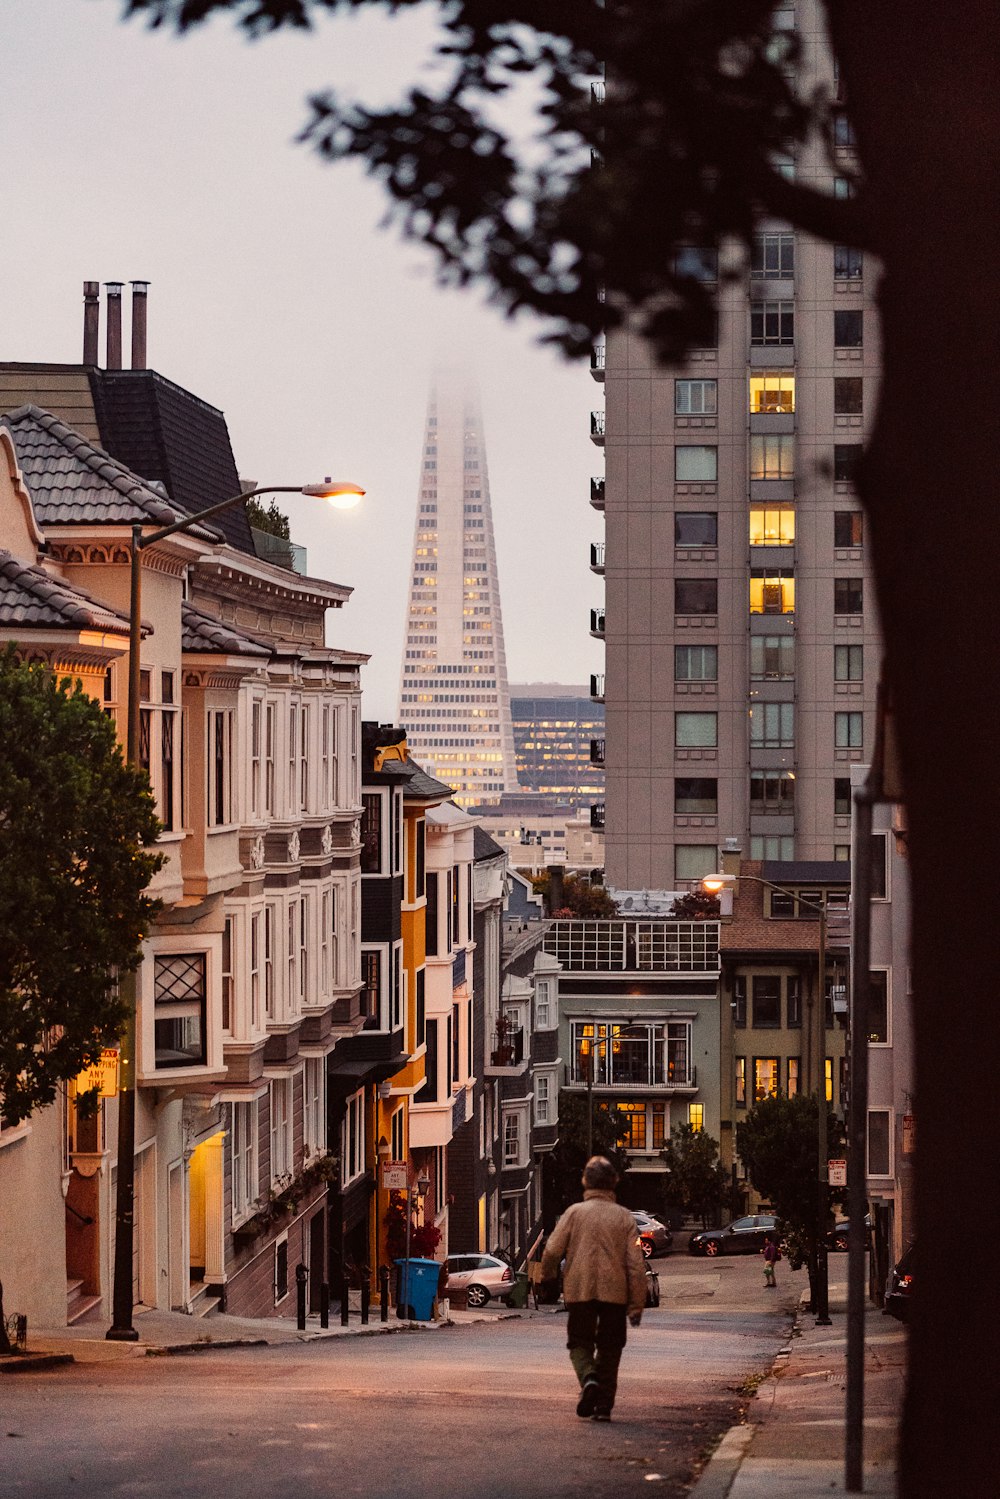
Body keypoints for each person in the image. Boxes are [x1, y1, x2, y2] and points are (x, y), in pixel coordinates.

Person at [540, 1155, 647, 1422]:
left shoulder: (574, 1213)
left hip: (579, 1289)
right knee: (611, 1347)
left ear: (585, 1181)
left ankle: (588, 1378)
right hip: (615, 1294)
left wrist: (548, 1277)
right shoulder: (624, 1218)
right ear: (615, 1183)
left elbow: (552, 1249)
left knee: (579, 1341)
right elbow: (636, 1264)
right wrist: (636, 1305)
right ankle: (603, 1406)